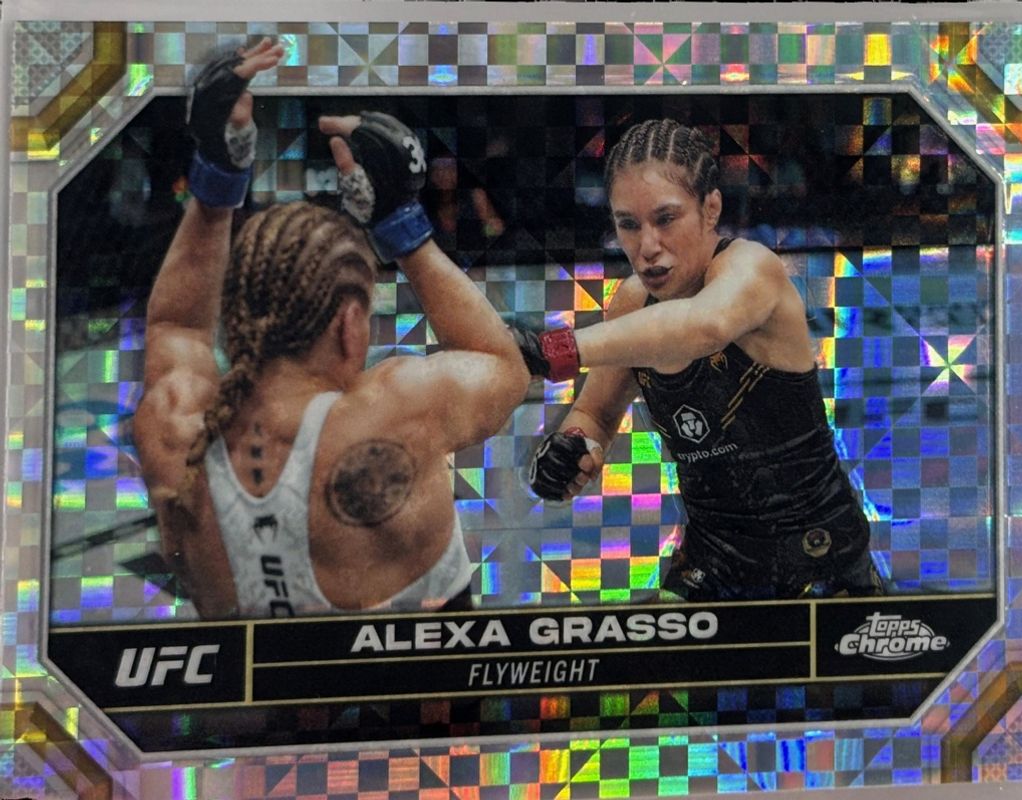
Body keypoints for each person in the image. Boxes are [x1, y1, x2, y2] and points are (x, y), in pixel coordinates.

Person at [133, 39, 528, 619]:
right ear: (349, 324)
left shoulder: (176, 427)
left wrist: (219, 178)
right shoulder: (397, 410)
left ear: (239, 310)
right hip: (425, 679)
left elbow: (176, 325)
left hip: (249, 679)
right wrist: (403, 227)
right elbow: (503, 368)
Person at [519, 118, 883, 601]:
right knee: (645, 650)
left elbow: (700, 328)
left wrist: (555, 352)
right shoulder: (631, 303)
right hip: (714, 561)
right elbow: (596, 412)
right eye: (629, 224)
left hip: (819, 556)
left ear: (711, 209)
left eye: (665, 219)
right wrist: (570, 449)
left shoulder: (751, 267)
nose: (647, 247)